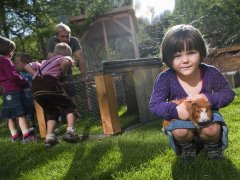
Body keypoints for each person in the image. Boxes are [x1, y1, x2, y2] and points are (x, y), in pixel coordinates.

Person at [149, 24, 235, 161]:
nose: (185, 60)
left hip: (206, 118)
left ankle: (212, 146)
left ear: (201, 52)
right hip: (181, 121)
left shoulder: (210, 72)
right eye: (177, 56)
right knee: (180, 131)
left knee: (212, 129)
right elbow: (154, 105)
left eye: (191, 53)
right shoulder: (165, 78)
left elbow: (228, 93)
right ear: (168, 58)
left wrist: (208, 98)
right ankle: (187, 147)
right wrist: (176, 111)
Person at [25, 42, 79, 148]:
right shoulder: (64, 57)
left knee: (52, 111)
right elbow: (65, 63)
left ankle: (49, 137)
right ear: (68, 53)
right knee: (69, 106)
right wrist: (62, 75)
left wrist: (35, 74)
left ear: (54, 54)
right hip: (49, 84)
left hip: (35, 88)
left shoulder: (44, 62)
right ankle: (71, 132)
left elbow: (27, 66)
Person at [0, 36, 37, 143]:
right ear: (6, 49)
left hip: (6, 91)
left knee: (10, 115)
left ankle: (15, 136)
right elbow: (13, 76)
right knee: (21, 113)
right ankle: (27, 136)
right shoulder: (6, 61)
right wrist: (24, 82)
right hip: (15, 90)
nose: (13, 52)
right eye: (12, 50)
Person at [15, 53, 36, 131]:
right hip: (26, 97)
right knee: (28, 110)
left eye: (17, 63)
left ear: (25, 62)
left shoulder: (33, 70)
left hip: (35, 94)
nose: (16, 65)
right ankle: (32, 125)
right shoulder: (19, 74)